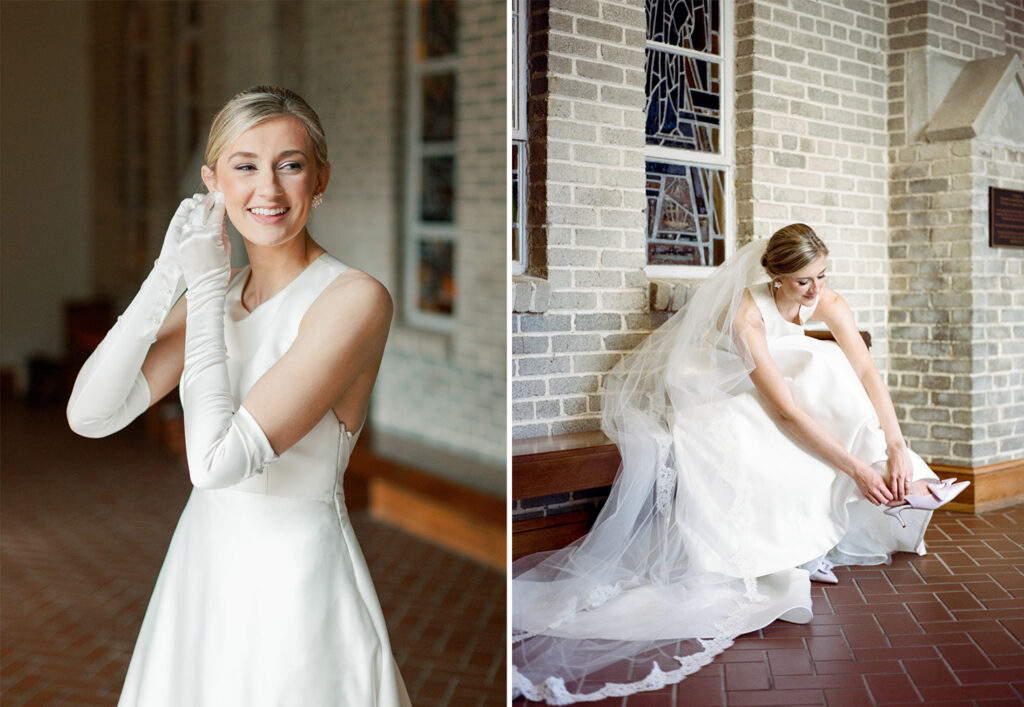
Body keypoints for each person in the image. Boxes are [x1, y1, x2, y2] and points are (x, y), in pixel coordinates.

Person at [512, 224, 967, 703]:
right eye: (803, 282)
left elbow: (867, 370)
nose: (816, 291)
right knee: (806, 390)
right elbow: (785, 410)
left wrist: (895, 446)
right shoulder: (744, 313)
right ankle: (805, 537)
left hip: (795, 389)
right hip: (730, 393)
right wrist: (856, 468)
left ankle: (892, 487)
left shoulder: (827, 299)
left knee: (831, 367)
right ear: (774, 276)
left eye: (821, 276)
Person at [67, 86, 411, 706]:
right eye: (245, 166)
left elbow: (213, 463)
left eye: (291, 164)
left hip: (296, 578)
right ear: (214, 183)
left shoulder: (354, 300)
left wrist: (200, 292)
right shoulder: (214, 292)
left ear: (320, 178)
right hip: (202, 565)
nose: (269, 190)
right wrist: (167, 273)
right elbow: (90, 414)